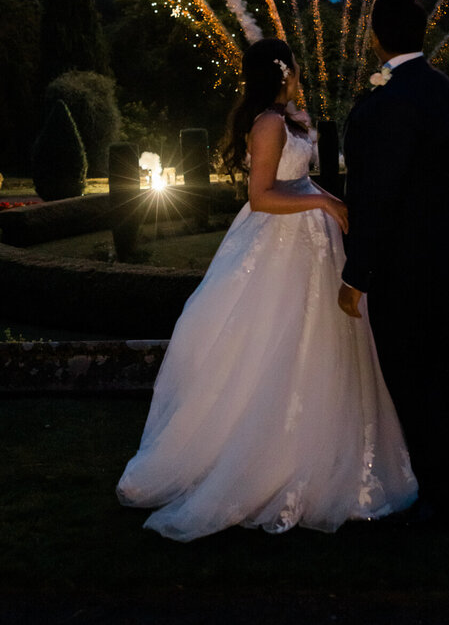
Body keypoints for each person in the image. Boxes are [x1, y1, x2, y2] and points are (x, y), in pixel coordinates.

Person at [117, 37, 418, 540]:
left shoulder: (291, 119)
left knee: (319, 347)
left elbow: (297, 180)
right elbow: (262, 198)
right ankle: (264, 463)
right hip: (278, 247)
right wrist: (322, 206)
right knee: (274, 345)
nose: (301, 70)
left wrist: (328, 197)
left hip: (310, 247)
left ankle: (324, 451)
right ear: (283, 71)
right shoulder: (268, 124)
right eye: (295, 65)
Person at [339, 0, 449, 525]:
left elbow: (379, 194)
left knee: (409, 378)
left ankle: (432, 494)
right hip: (443, 250)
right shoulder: (445, 89)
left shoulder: (389, 101)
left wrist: (357, 273)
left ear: (376, 38)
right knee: (440, 367)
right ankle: (448, 480)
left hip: (401, 263)